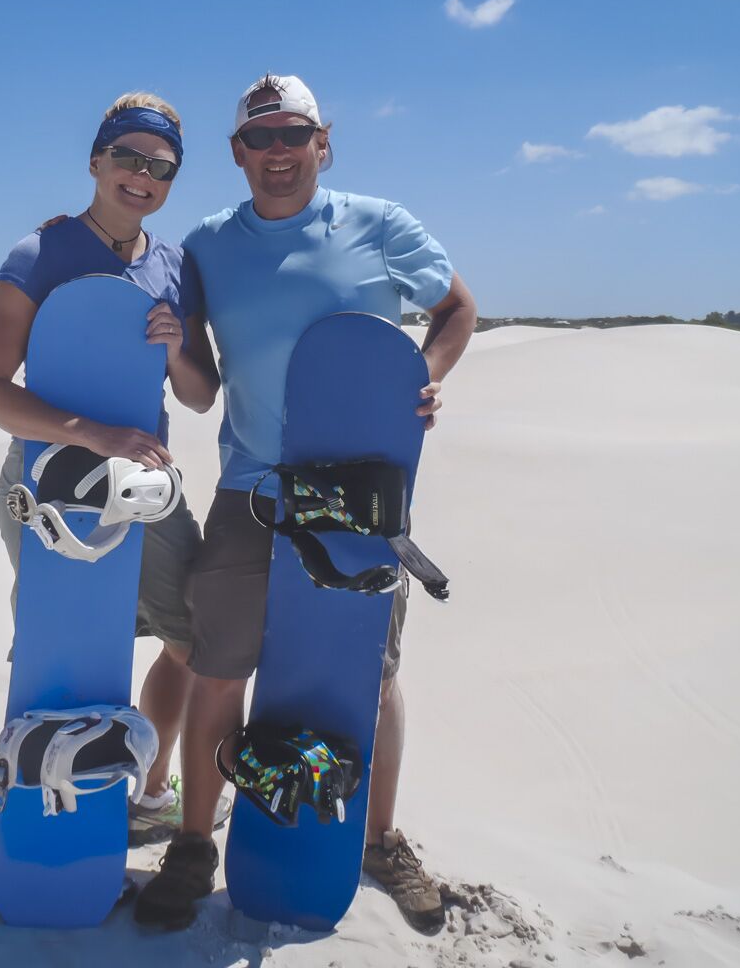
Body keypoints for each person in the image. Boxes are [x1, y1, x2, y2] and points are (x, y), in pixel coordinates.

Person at [134, 74, 477, 933]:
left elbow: (458, 308)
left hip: (358, 502)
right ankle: (193, 845)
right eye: (262, 140)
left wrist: (424, 378)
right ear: (238, 153)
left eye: (295, 136)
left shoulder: (381, 225)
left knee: (372, 675)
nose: (279, 154)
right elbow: (205, 390)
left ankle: (379, 839)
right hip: (251, 495)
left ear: (324, 142)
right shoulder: (209, 246)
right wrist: (174, 353)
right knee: (217, 670)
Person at [0, 92, 221, 843]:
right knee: (60, 643)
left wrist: (176, 346)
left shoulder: (176, 266)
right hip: (45, 479)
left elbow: (200, 397)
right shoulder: (37, 255)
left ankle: (148, 789)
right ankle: (36, 797)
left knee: (192, 638)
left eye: (161, 166)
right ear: (96, 162)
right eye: (128, 158)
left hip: (145, 481)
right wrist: (94, 434)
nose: (142, 175)